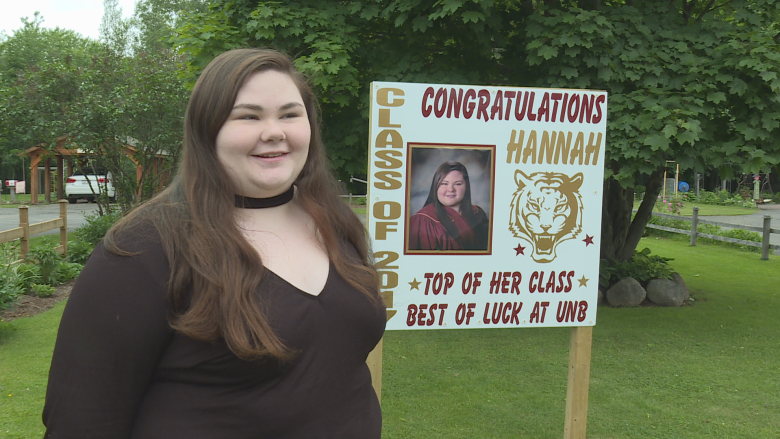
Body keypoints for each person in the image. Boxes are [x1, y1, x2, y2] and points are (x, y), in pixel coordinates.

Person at [42, 48, 386, 438]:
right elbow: (81, 420)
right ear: (208, 129)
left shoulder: (336, 224)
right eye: (248, 116)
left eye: (290, 114)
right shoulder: (143, 249)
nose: (274, 131)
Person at [408, 161, 489, 251]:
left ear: (466, 187)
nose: (451, 189)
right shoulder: (422, 222)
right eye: (444, 183)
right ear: (436, 186)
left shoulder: (478, 213)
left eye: (458, 184)